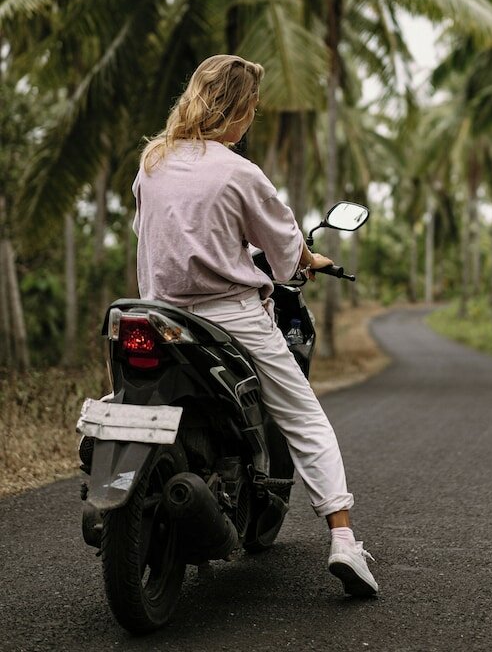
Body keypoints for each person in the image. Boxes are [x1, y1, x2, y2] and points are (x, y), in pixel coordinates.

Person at [132, 54, 378, 598]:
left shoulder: (152, 162)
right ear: (238, 108)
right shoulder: (239, 172)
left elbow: (156, 234)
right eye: (252, 107)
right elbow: (286, 255)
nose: (252, 118)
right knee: (306, 418)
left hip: (158, 316)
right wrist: (310, 260)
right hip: (229, 318)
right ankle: (343, 541)